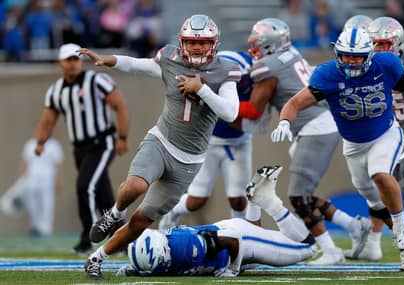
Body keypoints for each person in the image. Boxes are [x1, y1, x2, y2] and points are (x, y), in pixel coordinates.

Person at [78, 14, 241, 280]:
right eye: (191, 42)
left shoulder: (226, 70)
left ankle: (96, 259)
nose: (197, 48)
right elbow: (140, 66)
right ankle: (114, 213)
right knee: (135, 186)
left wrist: (201, 90)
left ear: (214, 44)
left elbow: (231, 113)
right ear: (182, 42)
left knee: (143, 220)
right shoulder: (170, 58)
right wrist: (109, 60)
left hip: (189, 160)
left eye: (203, 43)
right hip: (161, 141)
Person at [271, 26, 404, 264]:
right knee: (368, 192)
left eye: (357, 56)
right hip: (352, 144)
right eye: (346, 55)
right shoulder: (328, 74)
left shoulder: (387, 65)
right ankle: (378, 239)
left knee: (380, 174)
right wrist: (284, 123)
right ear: (337, 53)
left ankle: (402, 227)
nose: (350, 61)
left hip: (385, 133)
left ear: (369, 55)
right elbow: (296, 102)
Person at [238, 17, 371, 265]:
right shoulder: (293, 53)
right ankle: (352, 224)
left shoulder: (267, 67)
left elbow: (254, 111)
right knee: (304, 195)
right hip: (319, 123)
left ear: (269, 45)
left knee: (298, 196)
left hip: (314, 126)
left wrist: (218, 100)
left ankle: (331, 251)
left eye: (258, 45)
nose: (254, 50)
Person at [117, 166, 316, 277]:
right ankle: (255, 201)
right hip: (227, 238)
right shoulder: (162, 251)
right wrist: (135, 269)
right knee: (257, 234)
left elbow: (234, 239)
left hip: (240, 241)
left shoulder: (186, 247)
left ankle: (269, 202)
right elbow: (158, 265)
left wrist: (233, 270)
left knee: (308, 246)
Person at [346, 17, 404, 271]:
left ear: (397, 44)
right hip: (394, 137)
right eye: (373, 44)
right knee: (380, 182)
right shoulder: (366, 68)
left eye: (382, 44)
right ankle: (374, 242)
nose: (378, 50)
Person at [34, 43, 129, 255]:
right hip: (80, 148)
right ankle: (122, 236)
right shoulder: (55, 90)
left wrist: (122, 137)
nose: (73, 64)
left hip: (102, 142)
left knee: (85, 186)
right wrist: (40, 142)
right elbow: (48, 120)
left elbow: (119, 104)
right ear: (60, 62)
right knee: (104, 194)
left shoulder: (96, 80)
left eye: (76, 59)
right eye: (68, 59)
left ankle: (88, 236)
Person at [158, 50, 254, 230]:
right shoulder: (205, 79)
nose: (236, 82)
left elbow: (248, 115)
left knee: (239, 200)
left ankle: (241, 236)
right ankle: (171, 211)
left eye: (241, 78)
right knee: (197, 199)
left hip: (239, 142)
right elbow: (229, 117)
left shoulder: (250, 75)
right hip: (209, 142)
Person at [0, 136, 63, 237]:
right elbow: (25, 162)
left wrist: (58, 181)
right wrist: (20, 181)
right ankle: (36, 228)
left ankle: (46, 230)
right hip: (31, 179)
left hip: (48, 180)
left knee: (47, 206)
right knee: (32, 205)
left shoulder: (54, 145)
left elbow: (58, 164)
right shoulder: (30, 144)